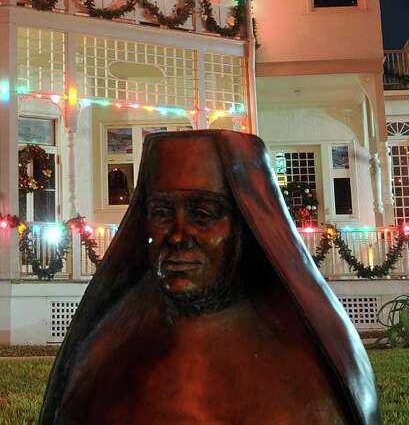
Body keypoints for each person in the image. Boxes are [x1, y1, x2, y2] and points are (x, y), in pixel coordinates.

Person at [39, 130, 379, 425]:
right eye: (162, 213)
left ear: (245, 227)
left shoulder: (305, 367)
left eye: (202, 214)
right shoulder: (105, 347)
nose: (178, 235)